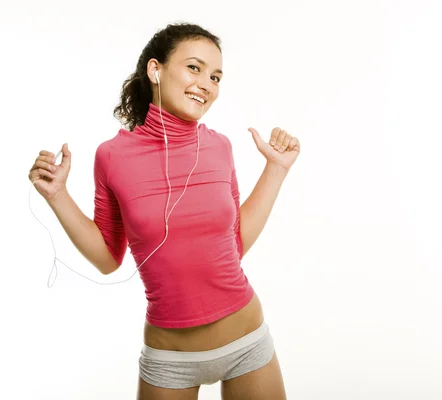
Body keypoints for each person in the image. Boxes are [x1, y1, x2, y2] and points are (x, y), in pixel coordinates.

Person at [27, 22, 299, 400]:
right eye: (194, 67)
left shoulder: (220, 147)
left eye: (216, 76)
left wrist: (276, 169)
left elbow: (232, 246)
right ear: (155, 69)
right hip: (169, 360)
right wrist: (57, 196)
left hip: (247, 342)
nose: (207, 83)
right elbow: (108, 259)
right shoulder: (112, 157)